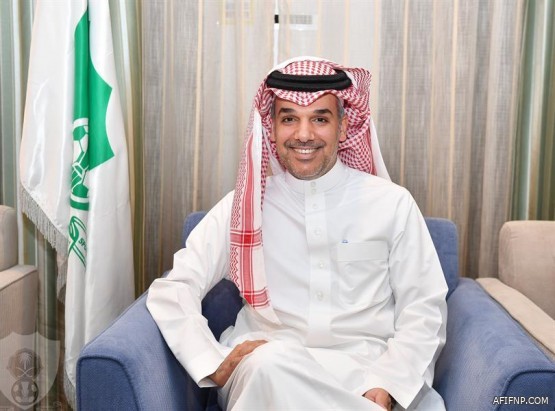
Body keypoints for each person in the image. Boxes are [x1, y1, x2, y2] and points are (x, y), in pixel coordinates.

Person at [147, 56, 448, 411]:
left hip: (363, 375)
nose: (304, 135)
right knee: (269, 364)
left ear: (343, 127)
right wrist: (210, 360)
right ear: (272, 129)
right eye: (289, 119)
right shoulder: (244, 207)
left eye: (320, 119)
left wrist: (389, 383)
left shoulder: (391, 203)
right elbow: (174, 288)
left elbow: (423, 308)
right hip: (265, 371)